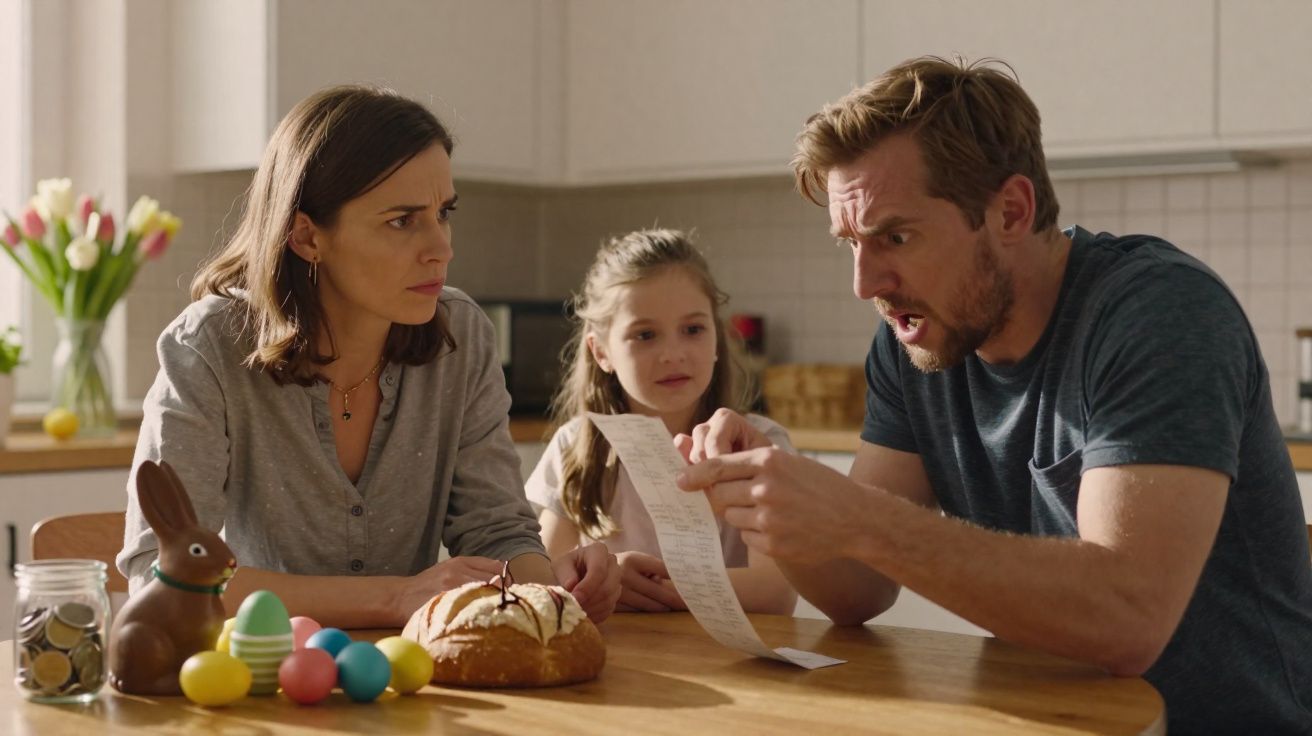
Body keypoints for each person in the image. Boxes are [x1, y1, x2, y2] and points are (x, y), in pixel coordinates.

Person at [674, 57, 1312, 734]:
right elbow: (855, 591)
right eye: (850, 243)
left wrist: (856, 516)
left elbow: (1128, 619)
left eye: (896, 236)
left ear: (1010, 210)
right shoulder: (914, 339)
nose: (866, 283)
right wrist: (770, 501)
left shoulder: (1160, 314)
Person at [116, 85, 620, 628]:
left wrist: (552, 590)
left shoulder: (461, 336)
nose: (441, 247)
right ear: (307, 237)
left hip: (415, 680)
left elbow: (495, 530)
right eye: (402, 220)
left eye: (443, 213)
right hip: (264, 680)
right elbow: (161, 573)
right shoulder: (208, 347)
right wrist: (395, 597)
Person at [526, 229, 797, 614]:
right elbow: (539, 580)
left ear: (717, 338)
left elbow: (775, 593)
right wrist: (606, 577)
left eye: (693, 330)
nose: (672, 354)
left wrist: (645, 584)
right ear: (601, 350)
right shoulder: (577, 445)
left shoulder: (758, 445)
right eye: (646, 334)